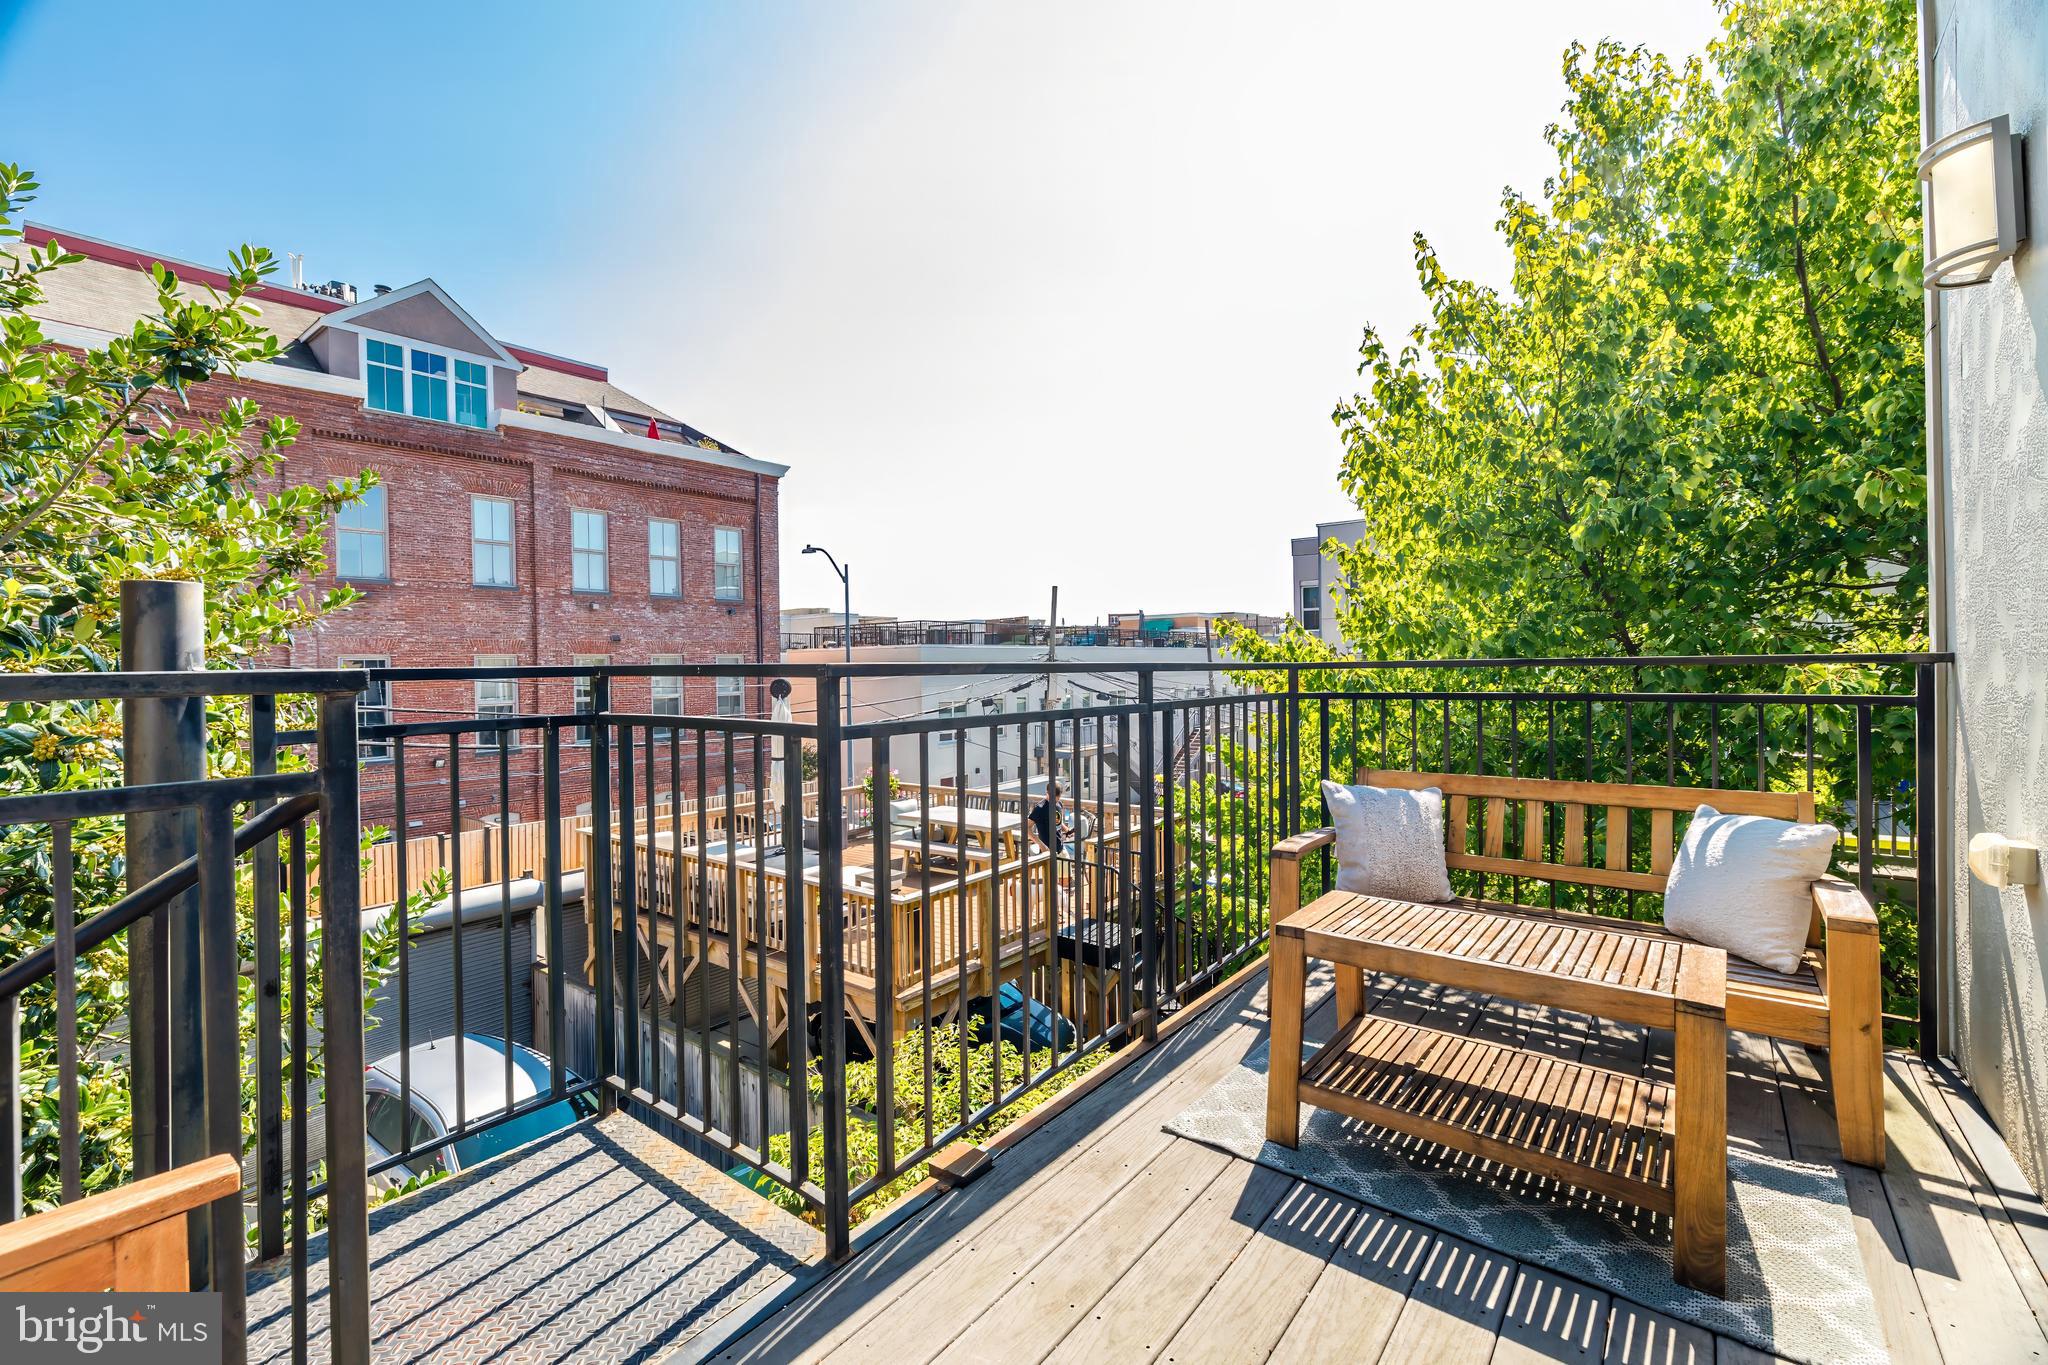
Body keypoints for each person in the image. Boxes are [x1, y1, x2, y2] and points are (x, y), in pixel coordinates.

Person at [1027, 781, 1066, 855]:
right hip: (1047, 851)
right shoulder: (1040, 808)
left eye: (1057, 798)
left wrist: (1067, 830)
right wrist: (1041, 845)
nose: (1055, 800)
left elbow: (1058, 820)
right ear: (1047, 793)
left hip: (1060, 847)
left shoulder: (1059, 804)